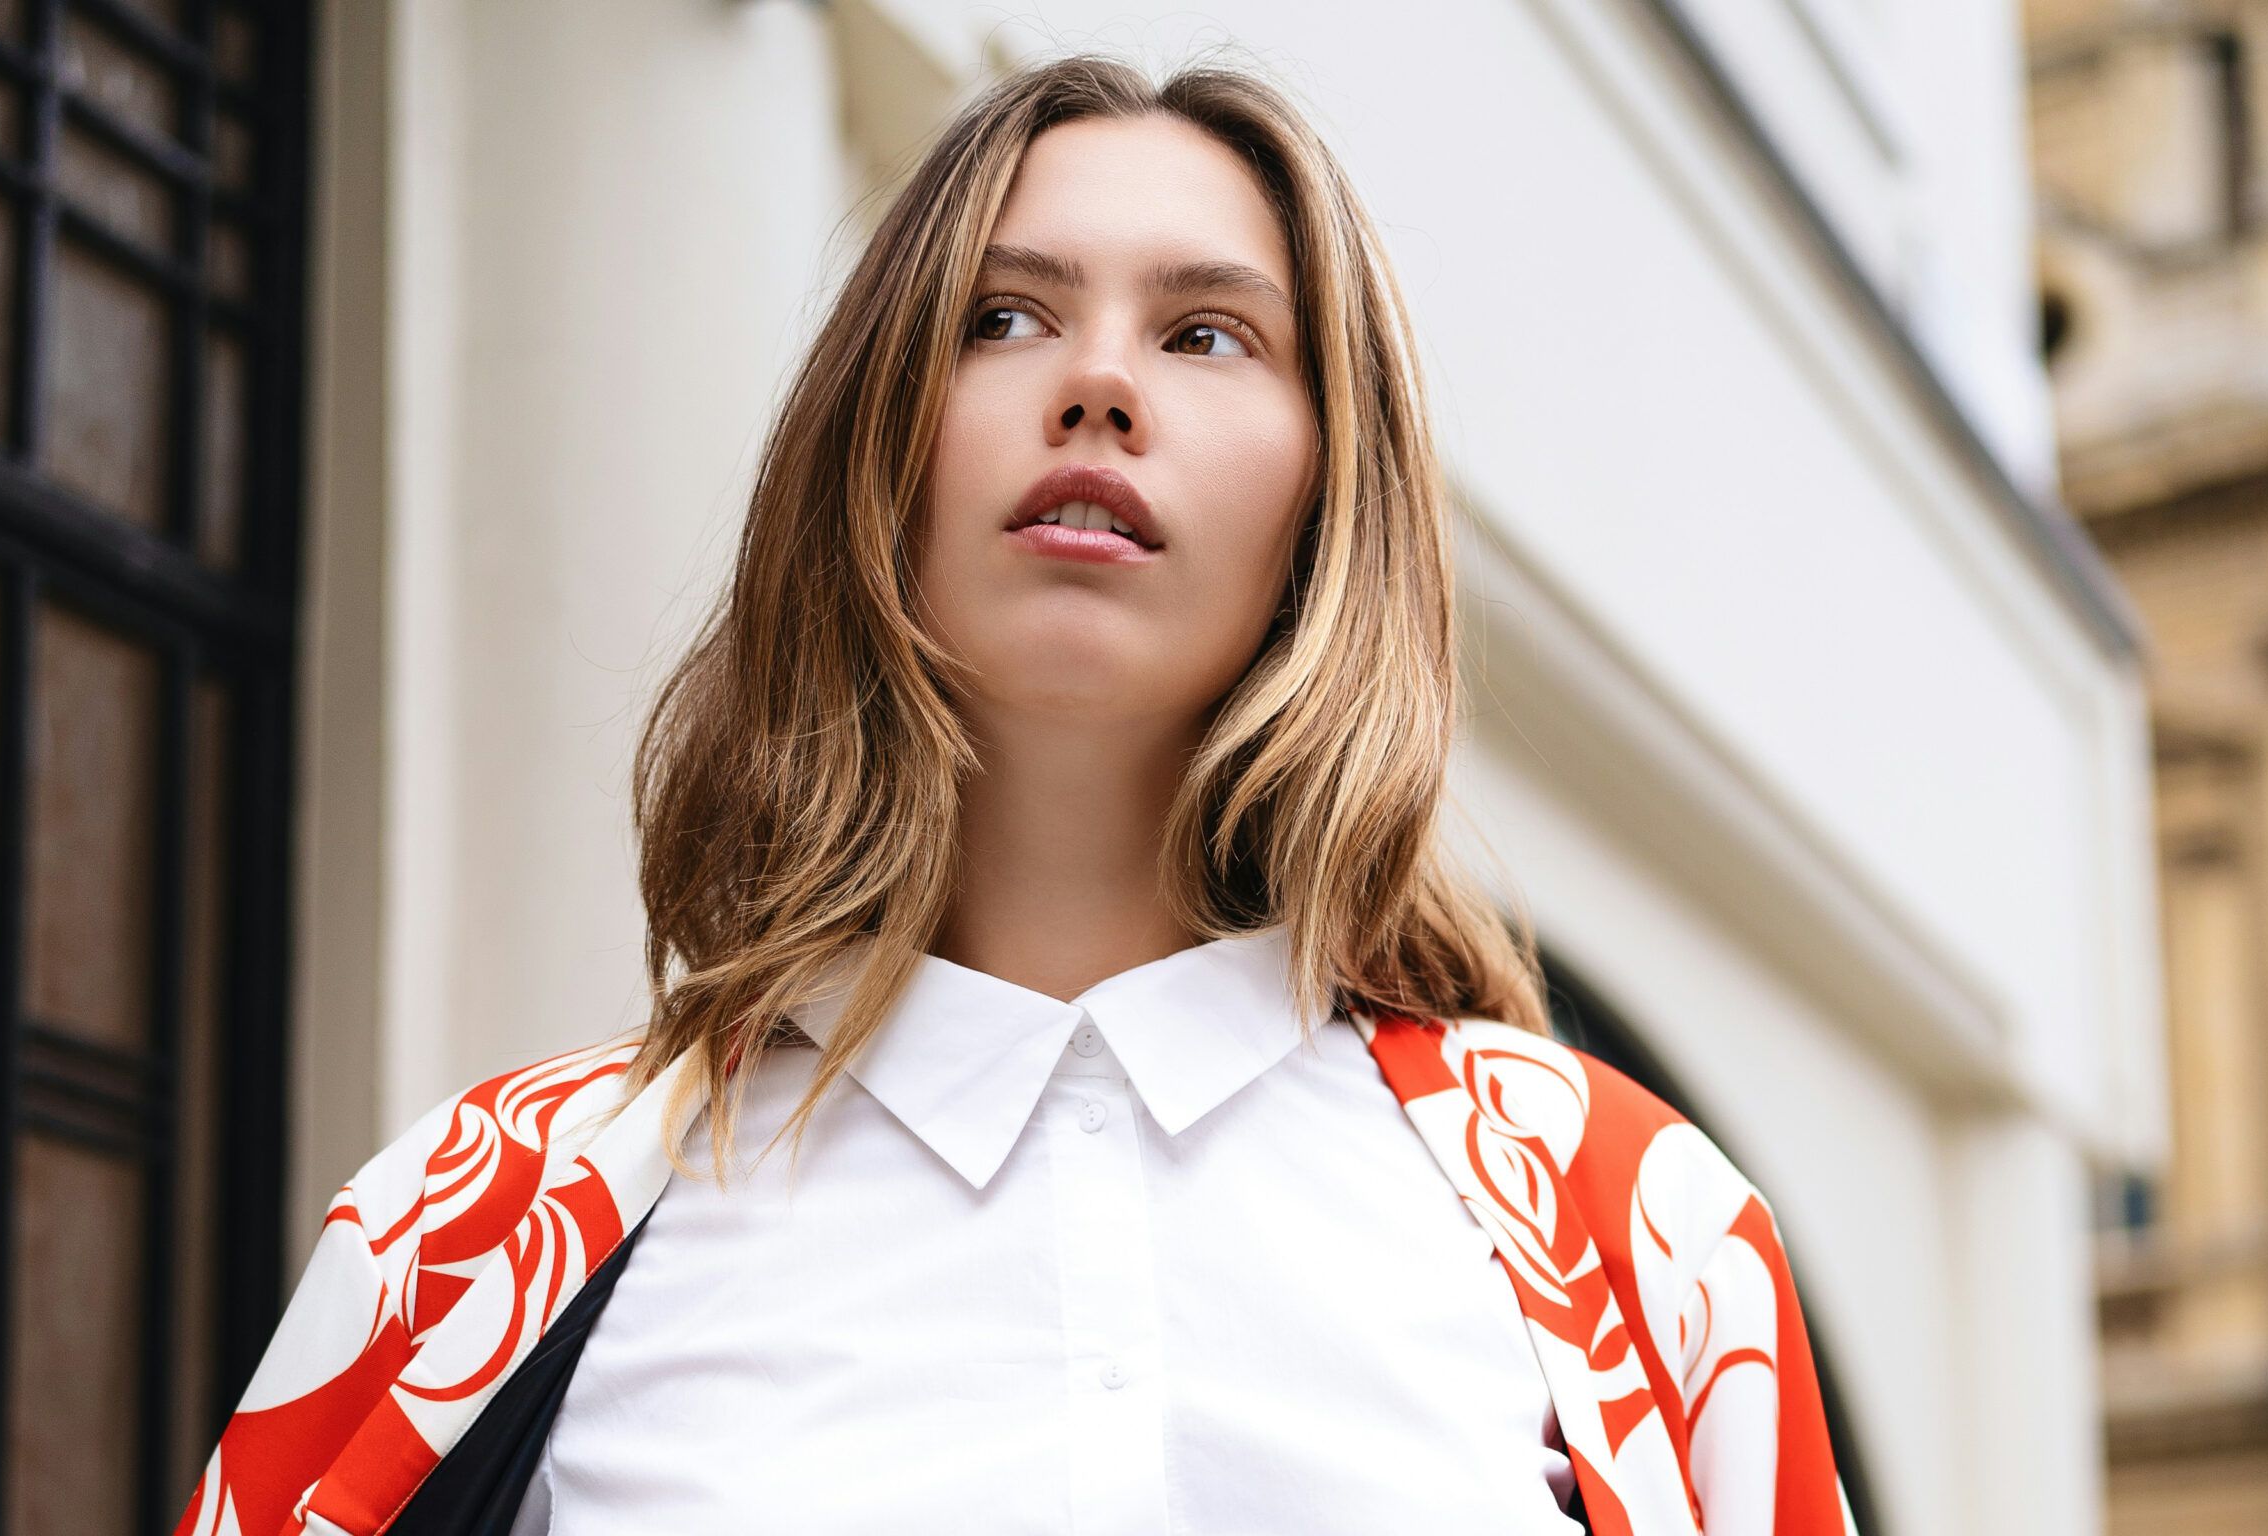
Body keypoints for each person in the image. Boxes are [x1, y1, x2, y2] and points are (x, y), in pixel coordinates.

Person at [174, 51, 1858, 1536]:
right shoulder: (461, 1238)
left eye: (1208, 332)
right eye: (1000, 317)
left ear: (1329, 497)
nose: (1098, 385)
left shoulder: (1639, 1237)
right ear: (873, 446)